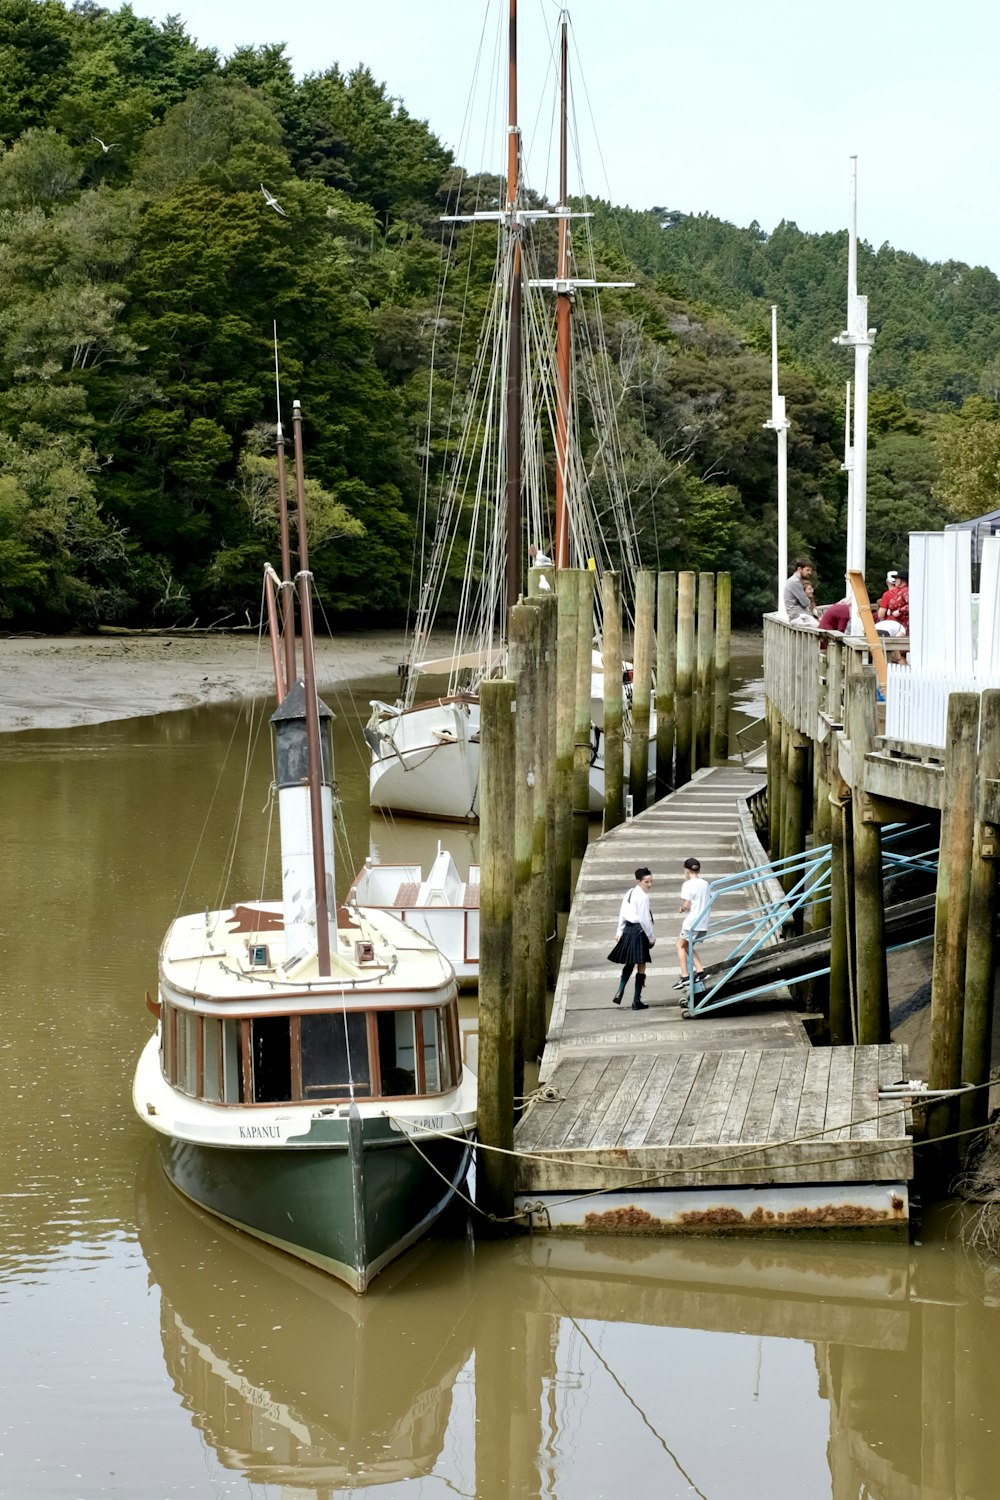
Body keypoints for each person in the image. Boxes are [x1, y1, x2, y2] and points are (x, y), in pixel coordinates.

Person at [608, 867, 654, 1009]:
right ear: (638, 881)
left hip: (628, 929)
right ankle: (636, 1000)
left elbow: (622, 913)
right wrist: (651, 938)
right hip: (639, 931)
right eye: (647, 882)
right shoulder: (643, 897)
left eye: (651, 881)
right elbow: (645, 920)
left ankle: (620, 991)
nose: (650, 884)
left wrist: (619, 931)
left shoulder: (629, 892)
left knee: (629, 963)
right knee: (641, 964)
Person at [674, 857, 710, 992]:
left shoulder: (687, 885)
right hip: (703, 922)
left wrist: (681, 908)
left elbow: (687, 905)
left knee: (679, 945)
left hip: (691, 922)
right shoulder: (705, 883)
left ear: (687, 870)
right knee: (687, 946)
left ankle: (685, 976)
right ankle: (700, 971)